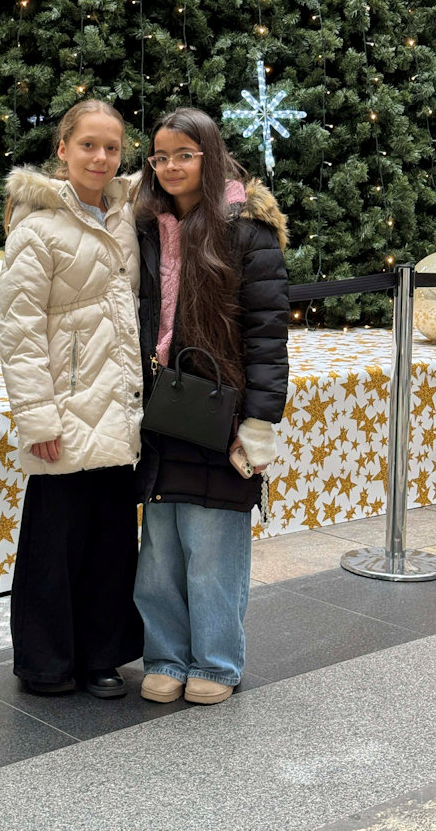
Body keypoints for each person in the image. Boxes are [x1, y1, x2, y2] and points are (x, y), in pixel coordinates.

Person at [133, 107, 289, 706]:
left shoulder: (246, 229)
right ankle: (166, 656)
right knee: (160, 550)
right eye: (161, 156)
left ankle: (217, 662)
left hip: (218, 406)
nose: (171, 167)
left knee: (213, 544)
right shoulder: (145, 224)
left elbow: (267, 335)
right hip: (160, 405)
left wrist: (260, 420)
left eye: (185, 155)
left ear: (210, 156)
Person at [0, 99, 144, 698]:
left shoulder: (126, 215)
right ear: (63, 149)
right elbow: (20, 330)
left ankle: (102, 657)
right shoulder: (36, 229)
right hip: (66, 405)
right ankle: (47, 662)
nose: (100, 157)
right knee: (53, 541)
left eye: (112, 147)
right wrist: (37, 417)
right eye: (88, 144)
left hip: (120, 404)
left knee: (112, 539)